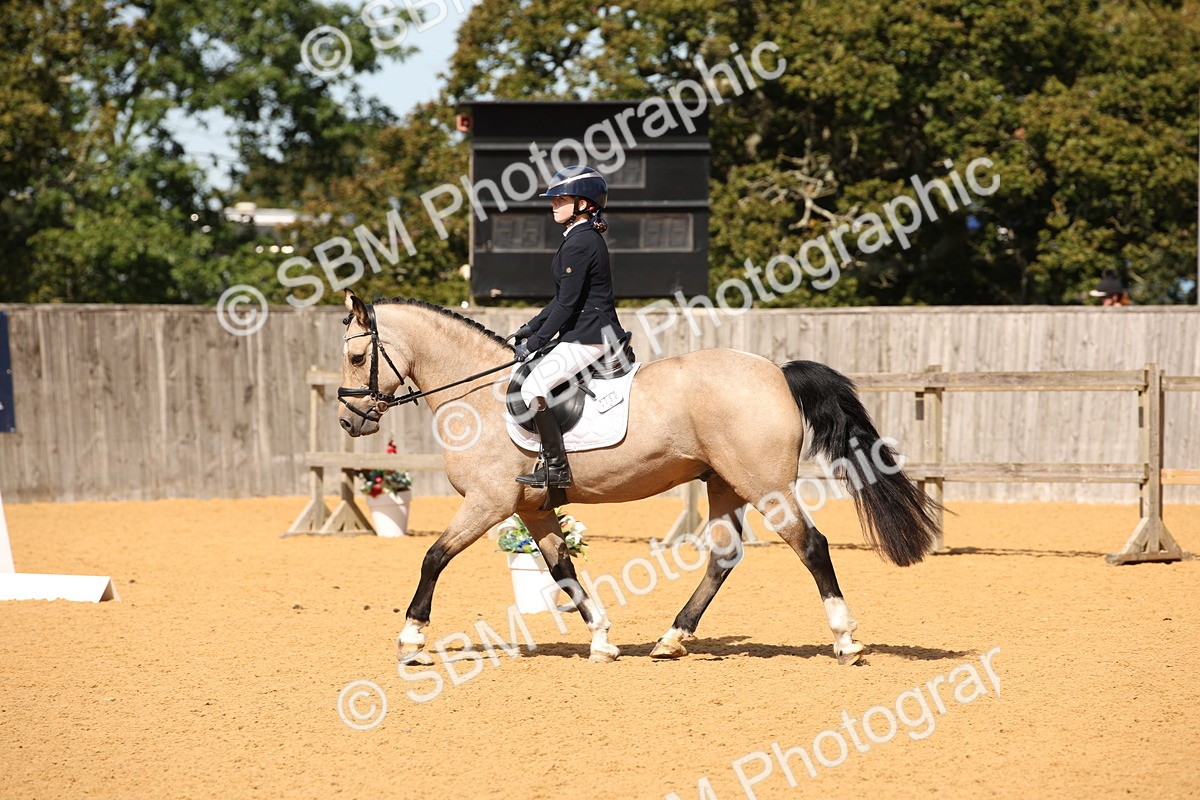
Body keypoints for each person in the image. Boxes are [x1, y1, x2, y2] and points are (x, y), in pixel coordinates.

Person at [510, 165, 628, 489]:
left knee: (533, 388)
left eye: (560, 199)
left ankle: (557, 468)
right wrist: (529, 328)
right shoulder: (579, 238)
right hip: (583, 331)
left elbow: (567, 305)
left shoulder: (581, 243)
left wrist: (534, 343)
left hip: (590, 335)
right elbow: (561, 298)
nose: (553, 204)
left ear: (584, 204)